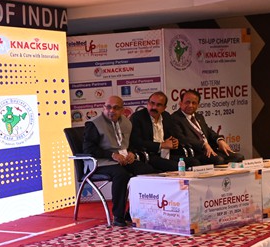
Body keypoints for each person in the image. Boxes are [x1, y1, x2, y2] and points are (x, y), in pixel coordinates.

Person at [83, 96, 156, 227]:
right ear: (103, 108)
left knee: (147, 170)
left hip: (123, 159)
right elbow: (89, 149)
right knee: (121, 174)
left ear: (122, 110)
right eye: (108, 107)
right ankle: (118, 215)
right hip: (101, 162)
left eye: (116, 108)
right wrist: (112, 155)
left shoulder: (127, 123)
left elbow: (131, 144)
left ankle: (133, 212)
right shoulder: (94, 124)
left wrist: (132, 153)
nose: (111, 111)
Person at [168, 89, 244, 165]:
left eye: (194, 103)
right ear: (180, 103)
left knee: (238, 157)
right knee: (218, 160)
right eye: (187, 102)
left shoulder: (199, 117)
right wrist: (203, 144)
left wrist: (219, 140)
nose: (190, 105)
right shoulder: (175, 118)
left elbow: (209, 132)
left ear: (198, 105)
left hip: (210, 150)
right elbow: (182, 139)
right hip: (195, 152)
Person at [130, 91, 193, 172]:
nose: (154, 107)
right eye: (152, 103)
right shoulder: (138, 117)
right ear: (147, 103)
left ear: (164, 108)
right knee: (174, 166)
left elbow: (171, 136)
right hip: (149, 155)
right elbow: (137, 142)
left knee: (193, 162)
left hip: (166, 153)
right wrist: (161, 145)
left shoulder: (166, 116)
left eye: (159, 105)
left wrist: (174, 141)